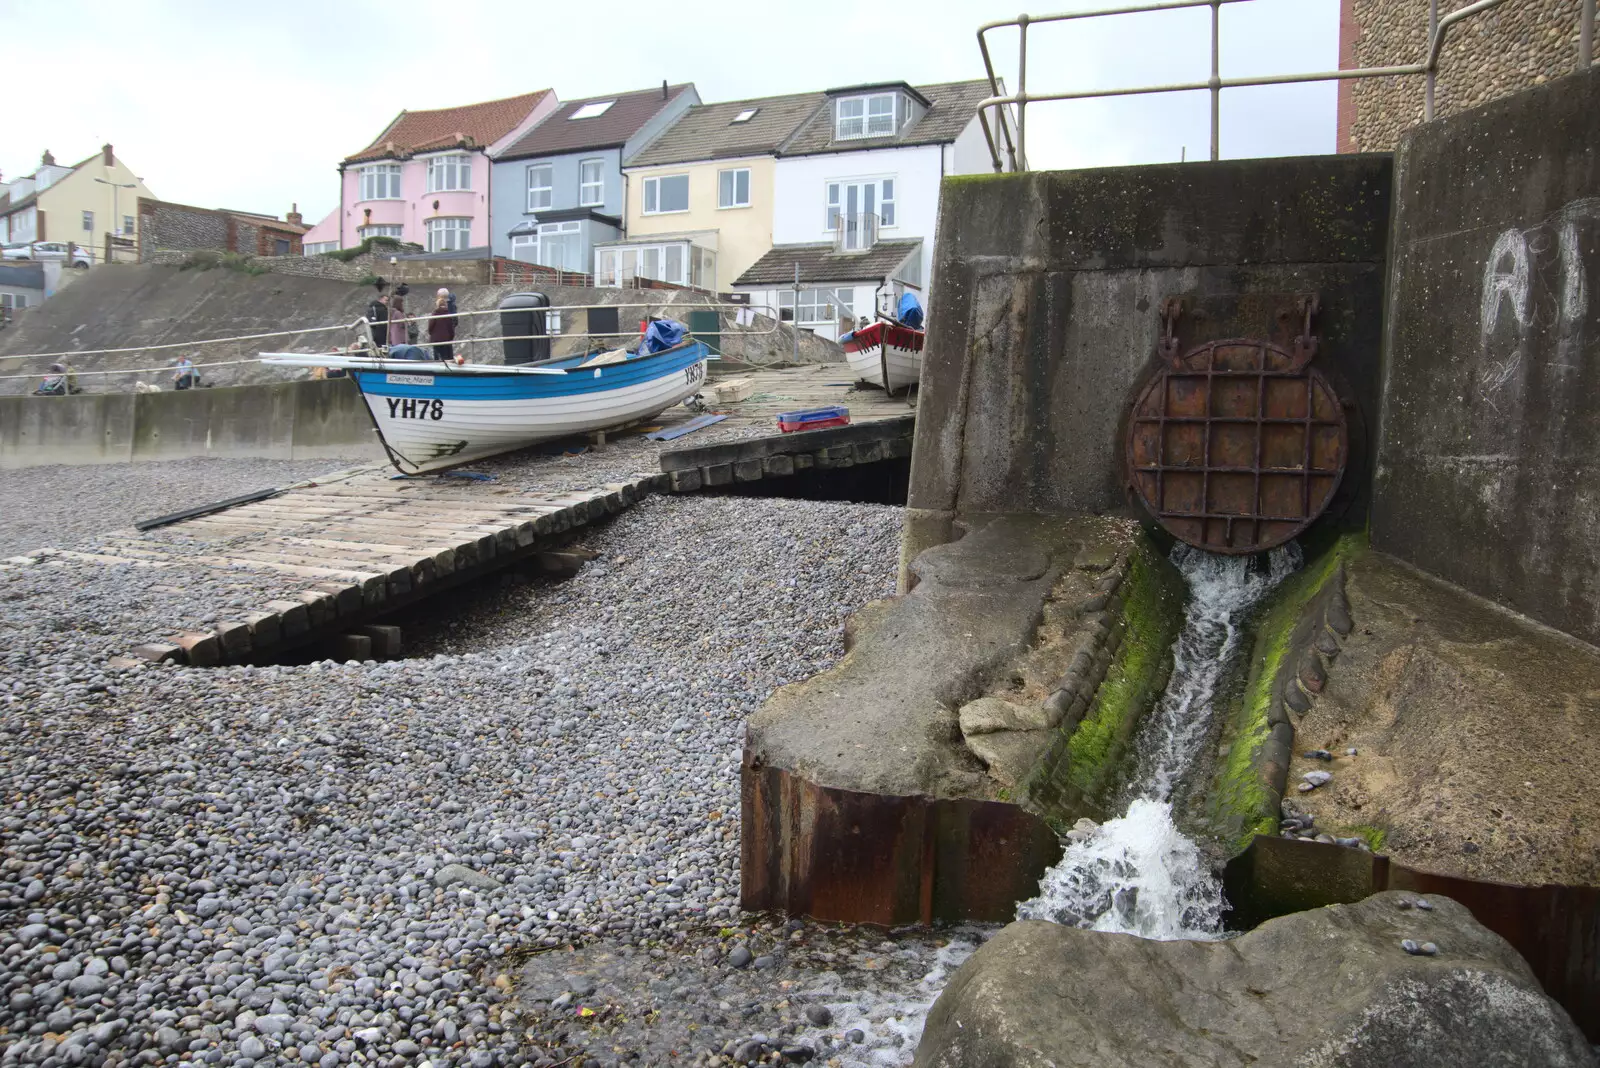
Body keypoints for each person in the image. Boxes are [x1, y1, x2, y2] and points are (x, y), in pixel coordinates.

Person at [427, 288, 458, 361]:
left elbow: (430, 327)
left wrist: (433, 335)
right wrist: (450, 336)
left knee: (437, 358)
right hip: (447, 338)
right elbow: (452, 326)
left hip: (436, 339)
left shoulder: (435, 313)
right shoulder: (449, 310)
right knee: (448, 357)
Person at [389, 284, 409, 349]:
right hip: (399, 337)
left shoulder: (392, 311)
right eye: (401, 303)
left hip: (394, 336)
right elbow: (402, 324)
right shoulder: (398, 313)